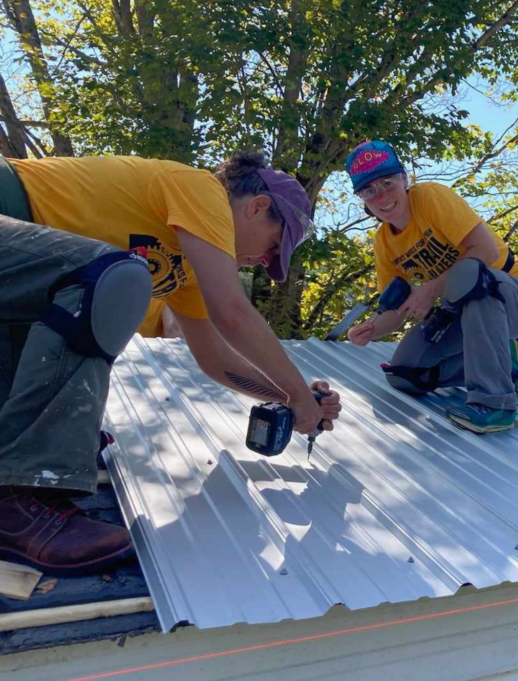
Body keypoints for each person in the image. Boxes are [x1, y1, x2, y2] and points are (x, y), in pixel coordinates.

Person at [0, 151, 342, 576]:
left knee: (76, 302)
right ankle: (24, 489)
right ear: (257, 206)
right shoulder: (201, 189)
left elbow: (215, 359)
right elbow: (232, 314)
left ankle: (17, 485)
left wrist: (292, 399)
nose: (265, 261)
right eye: (274, 245)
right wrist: (294, 390)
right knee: (114, 277)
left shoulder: (185, 268)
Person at [344, 141, 518, 434]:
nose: (382, 195)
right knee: (406, 374)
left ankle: (494, 405)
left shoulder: (430, 197)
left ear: (404, 178)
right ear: (362, 199)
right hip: (463, 312)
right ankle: (507, 368)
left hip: (514, 297)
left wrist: (430, 288)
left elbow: (486, 251)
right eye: (369, 190)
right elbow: (397, 310)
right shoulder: (383, 242)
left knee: (469, 275)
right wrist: (372, 329)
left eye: (387, 182)